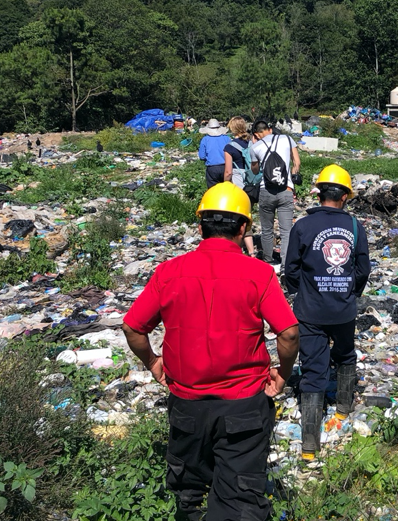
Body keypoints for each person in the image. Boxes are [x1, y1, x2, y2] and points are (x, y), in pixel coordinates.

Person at [122, 183, 299, 521]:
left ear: (200, 226)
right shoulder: (259, 274)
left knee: (190, 494)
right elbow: (289, 333)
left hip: (187, 404)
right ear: (243, 227)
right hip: (244, 406)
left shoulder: (168, 272)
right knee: (239, 503)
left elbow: (132, 327)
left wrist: (154, 363)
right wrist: (282, 375)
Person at [283, 165, 370, 461]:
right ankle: (344, 409)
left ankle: (309, 447)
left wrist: (303, 289)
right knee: (345, 355)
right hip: (343, 311)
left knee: (312, 372)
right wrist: (349, 293)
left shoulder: (302, 227)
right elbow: (362, 270)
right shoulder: (356, 228)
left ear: (319, 192)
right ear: (345, 196)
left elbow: (291, 270)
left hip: (310, 312)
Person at [249, 120, 300, 269]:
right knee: (286, 230)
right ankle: (285, 264)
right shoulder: (287, 139)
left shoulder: (255, 146)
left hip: (266, 191)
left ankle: (268, 260)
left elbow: (255, 170)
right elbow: (297, 162)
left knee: (267, 229)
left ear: (256, 134)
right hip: (286, 190)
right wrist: (292, 177)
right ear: (269, 129)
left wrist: (254, 146)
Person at [223, 116, 256, 256]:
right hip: (253, 184)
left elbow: (228, 171)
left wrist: (225, 186)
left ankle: (245, 249)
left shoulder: (229, 147)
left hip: (238, 186)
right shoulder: (252, 143)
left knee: (237, 217)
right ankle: (252, 251)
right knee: (248, 215)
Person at [197, 119, 231, 188]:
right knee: (227, 189)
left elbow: (202, 156)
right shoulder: (227, 138)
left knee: (213, 191)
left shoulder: (205, 139)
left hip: (212, 168)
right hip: (226, 166)